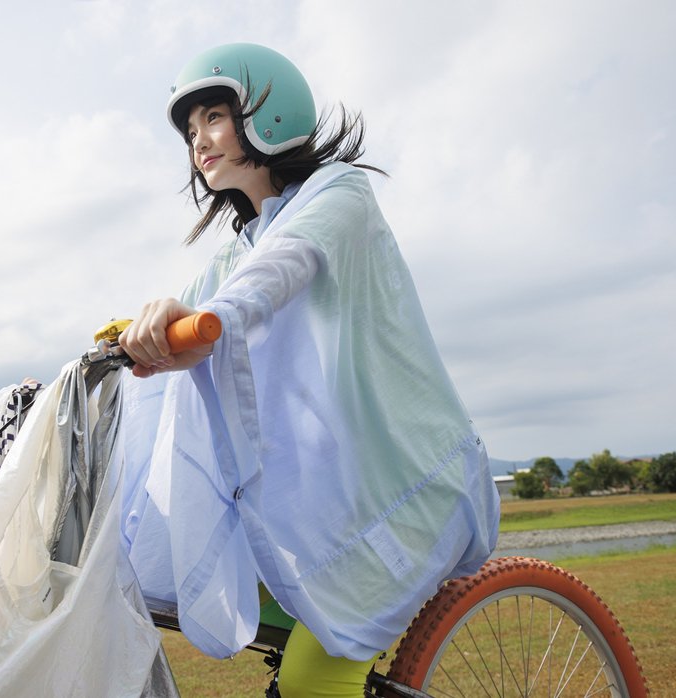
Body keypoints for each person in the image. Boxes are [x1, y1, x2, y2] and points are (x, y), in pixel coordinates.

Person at [117, 43, 500, 697]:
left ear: (268, 111)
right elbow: (212, 293)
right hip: (332, 506)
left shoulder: (339, 194)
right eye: (190, 130)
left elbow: (278, 271)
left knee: (311, 682)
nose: (199, 141)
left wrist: (208, 322)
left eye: (213, 117)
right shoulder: (235, 251)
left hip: (403, 490)